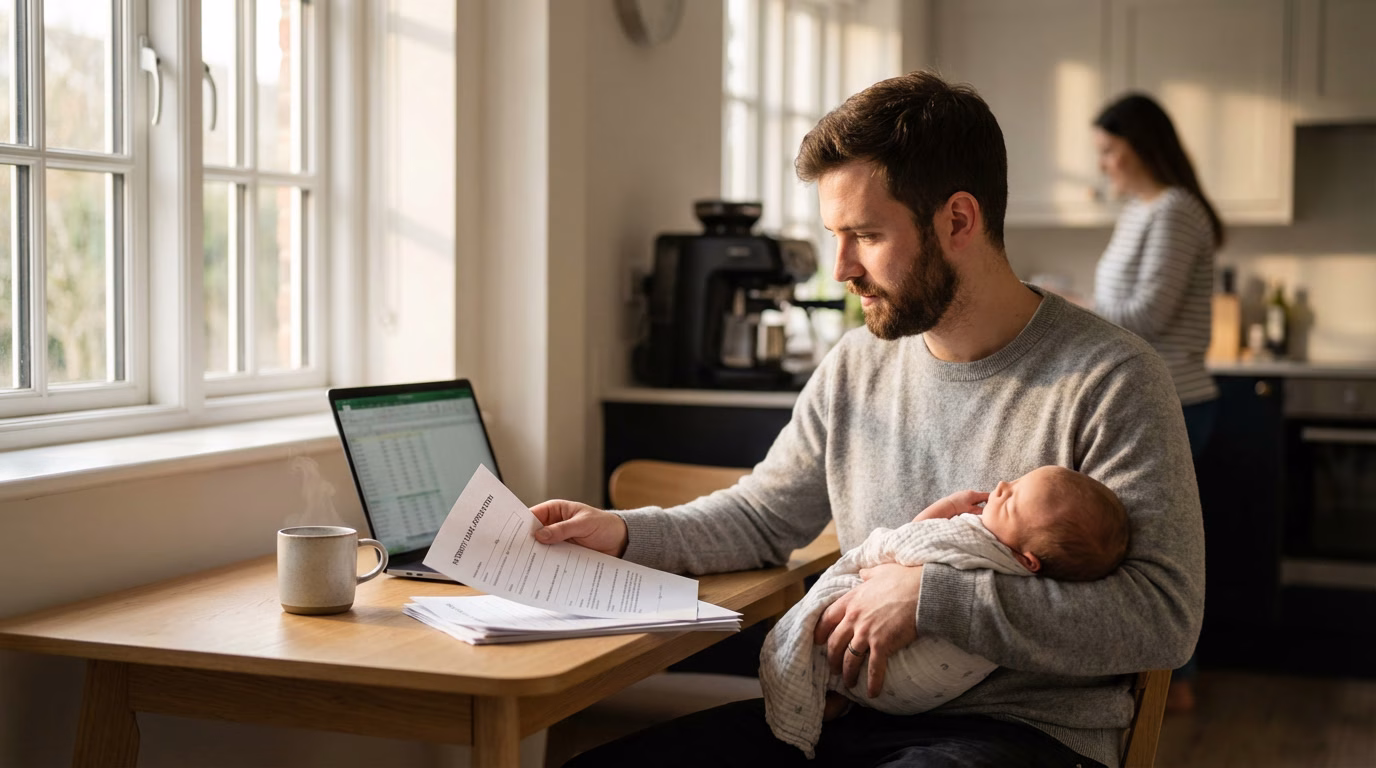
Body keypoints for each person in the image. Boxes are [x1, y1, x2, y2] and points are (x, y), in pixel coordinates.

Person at [534, 70, 1203, 768]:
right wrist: (622, 533)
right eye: (835, 235)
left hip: (1022, 732)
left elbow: (1162, 618)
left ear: (958, 221)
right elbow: (762, 518)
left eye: (866, 235)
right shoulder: (856, 364)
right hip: (847, 718)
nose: (842, 268)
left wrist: (931, 598)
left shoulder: (1114, 379)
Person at [763, 466, 1130, 757]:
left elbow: (905, 542)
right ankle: (837, 698)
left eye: (1011, 501)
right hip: (908, 699)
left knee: (817, 621)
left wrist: (941, 525)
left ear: (1026, 560)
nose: (1002, 486)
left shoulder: (980, 542)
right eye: (1015, 482)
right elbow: (761, 512)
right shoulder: (1023, 568)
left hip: (1004, 724)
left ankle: (817, 692)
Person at [1092, 92, 1223, 712]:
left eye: (1109, 150)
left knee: (1158, 547)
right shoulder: (1139, 212)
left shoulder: (1175, 211)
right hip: (1149, 397)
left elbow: (1146, 314)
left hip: (1179, 399)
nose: (1103, 164)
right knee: (1141, 541)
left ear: (1141, 147)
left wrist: (1069, 308)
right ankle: (1156, 683)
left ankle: (1174, 687)